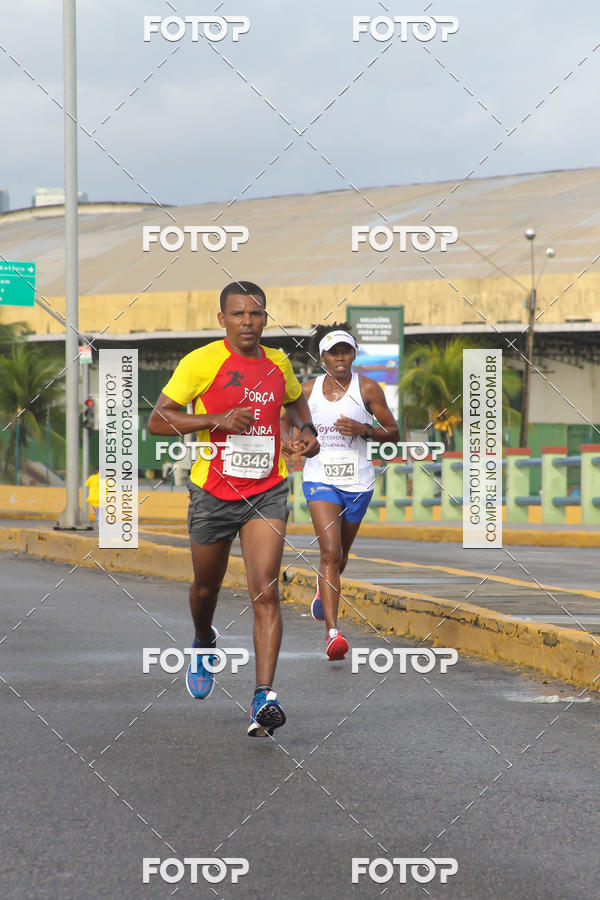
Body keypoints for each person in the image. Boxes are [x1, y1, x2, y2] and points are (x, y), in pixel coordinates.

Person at [148, 281, 319, 737]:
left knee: (265, 589)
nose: (248, 322)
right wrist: (213, 420)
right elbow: (157, 420)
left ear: (266, 318)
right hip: (213, 493)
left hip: (267, 491)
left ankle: (263, 697)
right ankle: (204, 641)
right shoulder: (201, 363)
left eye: (256, 314)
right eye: (239, 314)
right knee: (207, 588)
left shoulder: (278, 363)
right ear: (222, 319)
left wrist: (307, 431)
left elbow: (296, 402)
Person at [282, 323, 399, 661]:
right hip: (320, 478)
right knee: (330, 552)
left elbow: (393, 432)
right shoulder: (306, 391)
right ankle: (333, 633)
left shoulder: (369, 389)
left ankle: (323, 586)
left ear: (354, 354)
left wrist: (365, 429)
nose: (340, 358)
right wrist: (290, 440)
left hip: (358, 481)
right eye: (334, 353)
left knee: (341, 555)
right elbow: (282, 418)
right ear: (322, 357)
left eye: (346, 351)